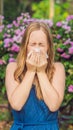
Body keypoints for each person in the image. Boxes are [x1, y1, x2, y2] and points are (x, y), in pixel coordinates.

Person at [5, 21, 66, 130]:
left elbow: (53, 105)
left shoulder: (57, 68)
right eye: (33, 44)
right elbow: (16, 104)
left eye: (41, 45)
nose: (37, 49)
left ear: (48, 47)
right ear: (25, 46)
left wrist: (41, 72)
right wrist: (31, 71)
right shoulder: (13, 68)